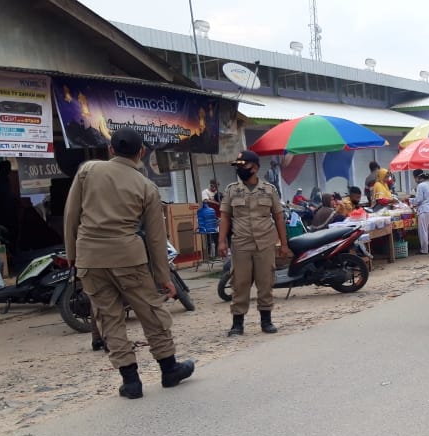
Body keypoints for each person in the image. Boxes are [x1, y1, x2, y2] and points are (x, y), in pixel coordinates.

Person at [62, 128, 194, 399]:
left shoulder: (88, 171)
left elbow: (71, 215)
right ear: (141, 153)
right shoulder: (146, 186)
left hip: (90, 258)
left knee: (108, 318)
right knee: (150, 313)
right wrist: (163, 277)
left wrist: (73, 254)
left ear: (111, 150)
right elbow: (157, 238)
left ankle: (131, 381)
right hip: (128, 257)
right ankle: (169, 370)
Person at [218, 150, 291, 337]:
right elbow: (225, 217)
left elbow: (279, 217)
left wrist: (284, 244)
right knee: (239, 283)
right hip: (241, 243)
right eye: (239, 167)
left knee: (265, 281)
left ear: (256, 168)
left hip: (265, 242)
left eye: (244, 166)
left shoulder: (269, 189)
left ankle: (266, 320)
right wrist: (221, 242)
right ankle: (237, 324)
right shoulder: (232, 190)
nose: (241, 170)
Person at [409, 170, 429, 255]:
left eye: (414, 178)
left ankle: (424, 250)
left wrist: (410, 200)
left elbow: (419, 200)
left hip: (424, 211)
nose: (414, 180)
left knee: (423, 231)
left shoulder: (420, 186)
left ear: (418, 177)